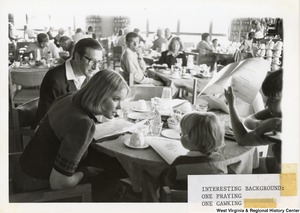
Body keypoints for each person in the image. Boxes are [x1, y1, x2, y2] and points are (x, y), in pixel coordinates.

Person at [13, 70, 130, 201]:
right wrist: (85, 172)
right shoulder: (83, 123)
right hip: (33, 183)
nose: (120, 106)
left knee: (107, 162)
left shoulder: (69, 97)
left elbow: (41, 130)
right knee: (112, 176)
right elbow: (58, 183)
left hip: (22, 169)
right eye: (115, 99)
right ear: (99, 94)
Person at [34, 38, 103, 127]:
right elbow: (49, 118)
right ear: (77, 57)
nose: (95, 67)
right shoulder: (54, 79)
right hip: (52, 131)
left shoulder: (89, 75)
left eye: (99, 62)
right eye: (92, 61)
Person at [224, 69, 282, 173]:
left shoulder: (279, 126)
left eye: (274, 99)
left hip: (289, 178)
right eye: (267, 98)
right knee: (247, 165)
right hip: (281, 164)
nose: (267, 104)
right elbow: (248, 120)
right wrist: (260, 124)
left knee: (231, 171)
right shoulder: (279, 113)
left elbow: (242, 139)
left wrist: (232, 106)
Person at [160, 112, 227, 190]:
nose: (180, 135)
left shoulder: (180, 162)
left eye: (182, 133)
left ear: (190, 138)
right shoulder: (220, 160)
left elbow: (168, 184)